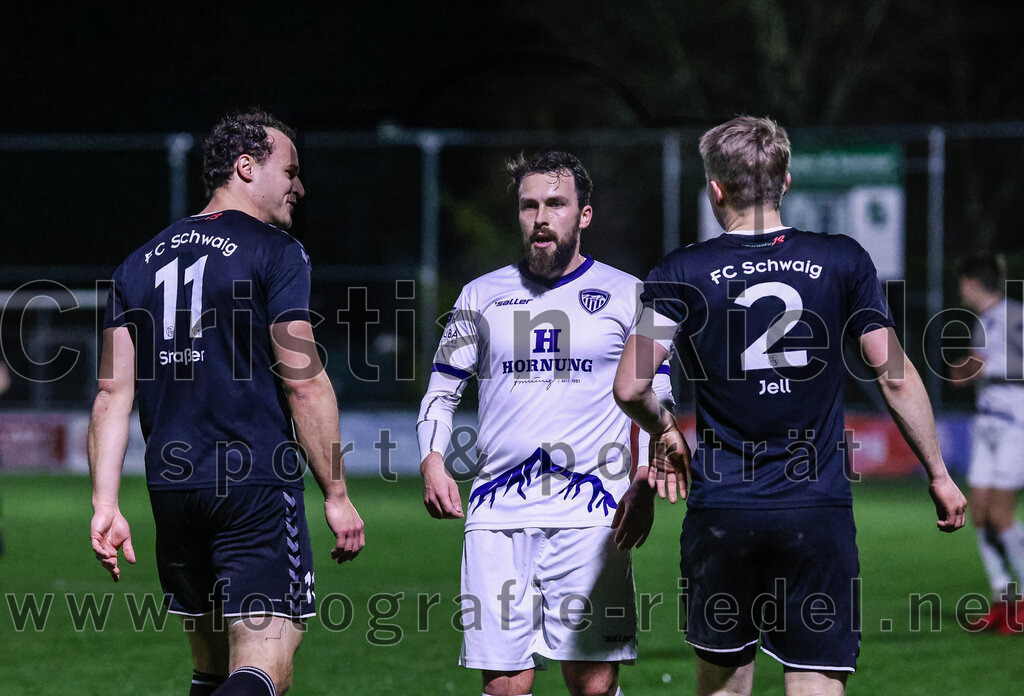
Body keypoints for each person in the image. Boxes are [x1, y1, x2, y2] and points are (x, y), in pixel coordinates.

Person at [613, 116, 966, 696]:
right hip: (815, 509)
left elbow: (630, 386)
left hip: (722, 509)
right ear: (787, 181)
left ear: (715, 190)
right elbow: (895, 377)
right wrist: (939, 473)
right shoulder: (844, 260)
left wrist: (667, 433)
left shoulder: (680, 273)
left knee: (724, 685)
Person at [89, 111, 364, 696]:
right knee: (266, 666)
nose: (300, 186)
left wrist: (105, 504)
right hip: (254, 484)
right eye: (290, 171)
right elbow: (304, 380)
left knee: (211, 669)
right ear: (246, 167)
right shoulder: (276, 251)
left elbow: (113, 392)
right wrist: (336, 493)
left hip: (172, 490)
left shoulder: (136, 264)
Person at [416, 151, 672, 696]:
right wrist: (432, 460)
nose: (540, 217)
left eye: (555, 204)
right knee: (505, 685)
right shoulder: (478, 296)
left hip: (593, 513)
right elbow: (442, 391)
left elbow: (658, 400)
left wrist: (646, 479)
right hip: (495, 514)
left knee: (593, 685)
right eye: (529, 205)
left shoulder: (632, 296)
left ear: (584, 215)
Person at [950, 253, 1024, 634]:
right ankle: (1003, 599)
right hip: (987, 421)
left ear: (973, 281)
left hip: (1015, 422)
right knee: (978, 513)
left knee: (1001, 514)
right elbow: (979, 364)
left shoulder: (1014, 314)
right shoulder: (984, 322)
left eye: (962, 281)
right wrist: (965, 367)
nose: (960, 288)